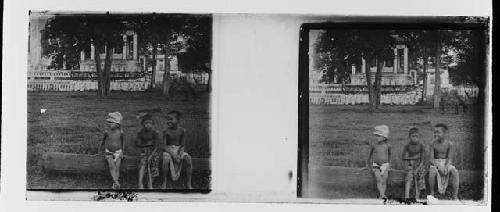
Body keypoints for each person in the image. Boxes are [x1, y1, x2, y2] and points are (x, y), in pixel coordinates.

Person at [162, 111, 193, 189]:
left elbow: (182, 145)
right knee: (165, 159)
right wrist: (173, 155)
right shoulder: (166, 131)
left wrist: (179, 154)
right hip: (168, 150)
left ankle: (189, 183)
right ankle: (164, 181)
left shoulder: (182, 131)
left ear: (178, 120)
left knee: (188, 159)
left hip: (179, 150)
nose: (168, 121)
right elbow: (164, 147)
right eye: (167, 119)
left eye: (171, 119)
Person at [428, 123, 459, 200]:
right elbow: (431, 159)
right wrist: (439, 167)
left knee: (455, 171)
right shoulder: (433, 144)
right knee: (432, 171)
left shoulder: (449, 144)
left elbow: (450, 158)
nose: (435, 134)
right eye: (435, 132)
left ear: (444, 133)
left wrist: (446, 166)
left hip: (446, 163)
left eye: (438, 132)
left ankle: (455, 196)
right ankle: (432, 194)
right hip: (435, 163)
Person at [135, 114, 161, 189]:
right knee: (143, 163)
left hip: (153, 152)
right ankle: (140, 184)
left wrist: (151, 155)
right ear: (143, 124)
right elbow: (137, 143)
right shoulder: (141, 132)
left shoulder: (154, 132)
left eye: (150, 123)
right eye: (146, 123)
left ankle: (150, 182)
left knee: (153, 164)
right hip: (144, 151)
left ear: (152, 124)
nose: (148, 125)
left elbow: (156, 146)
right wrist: (145, 145)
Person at [99, 112, 124, 189]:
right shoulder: (107, 132)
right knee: (112, 166)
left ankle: (115, 183)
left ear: (117, 124)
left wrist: (122, 151)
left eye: (111, 122)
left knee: (117, 167)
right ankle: (116, 181)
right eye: (108, 122)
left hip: (118, 152)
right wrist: (100, 149)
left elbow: (123, 142)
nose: (109, 124)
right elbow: (103, 141)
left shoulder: (121, 132)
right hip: (108, 152)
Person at [367, 125, 392, 199]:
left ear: (384, 137)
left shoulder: (388, 146)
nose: (376, 137)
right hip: (376, 165)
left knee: (384, 181)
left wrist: (389, 165)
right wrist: (367, 163)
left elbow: (390, 155)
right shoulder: (374, 145)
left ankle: (382, 195)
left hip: (385, 165)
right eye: (376, 136)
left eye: (378, 136)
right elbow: (370, 154)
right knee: (379, 180)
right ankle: (383, 195)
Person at [402, 127, 426, 199]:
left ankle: (418, 195)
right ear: (409, 137)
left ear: (419, 137)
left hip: (419, 165)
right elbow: (404, 157)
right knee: (409, 176)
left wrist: (418, 168)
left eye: (417, 136)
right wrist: (414, 158)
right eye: (413, 136)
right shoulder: (407, 146)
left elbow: (422, 159)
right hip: (410, 164)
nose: (415, 138)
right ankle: (407, 196)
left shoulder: (421, 146)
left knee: (420, 176)